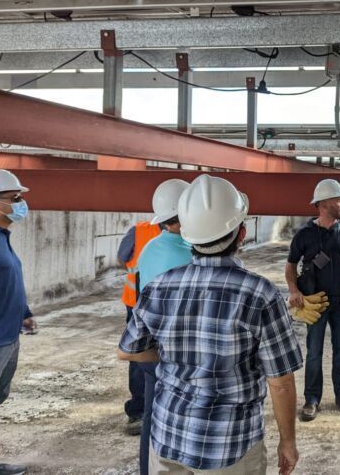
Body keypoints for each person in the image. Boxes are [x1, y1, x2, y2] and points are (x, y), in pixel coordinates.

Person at [118, 174, 303, 475]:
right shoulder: (259, 294)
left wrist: (172, 357)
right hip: (229, 447)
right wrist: (288, 442)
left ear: (188, 235)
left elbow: (128, 351)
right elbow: (280, 382)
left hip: (168, 439)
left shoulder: (160, 287)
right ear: (241, 233)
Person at [285, 179, 340, 422]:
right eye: (339, 199)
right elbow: (290, 266)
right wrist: (294, 290)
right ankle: (312, 399)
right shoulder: (304, 235)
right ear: (324, 203)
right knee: (314, 351)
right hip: (315, 300)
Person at [131, 179, 192, 475]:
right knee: (175, 422)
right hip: (176, 354)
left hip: (150, 347)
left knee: (153, 418)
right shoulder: (188, 253)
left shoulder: (150, 248)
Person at [0, 170, 34, 475]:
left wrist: (24, 312)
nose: (20, 204)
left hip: (6, 335)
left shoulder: (1, 237)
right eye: (13, 199)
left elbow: (6, 280)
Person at [116, 214, 161, 436]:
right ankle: (144, 409)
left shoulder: (139, 230)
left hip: (136, 302)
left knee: (138, 354)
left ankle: (138, 411)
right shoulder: (189, 231)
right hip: (154, 305)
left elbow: (121, 258)